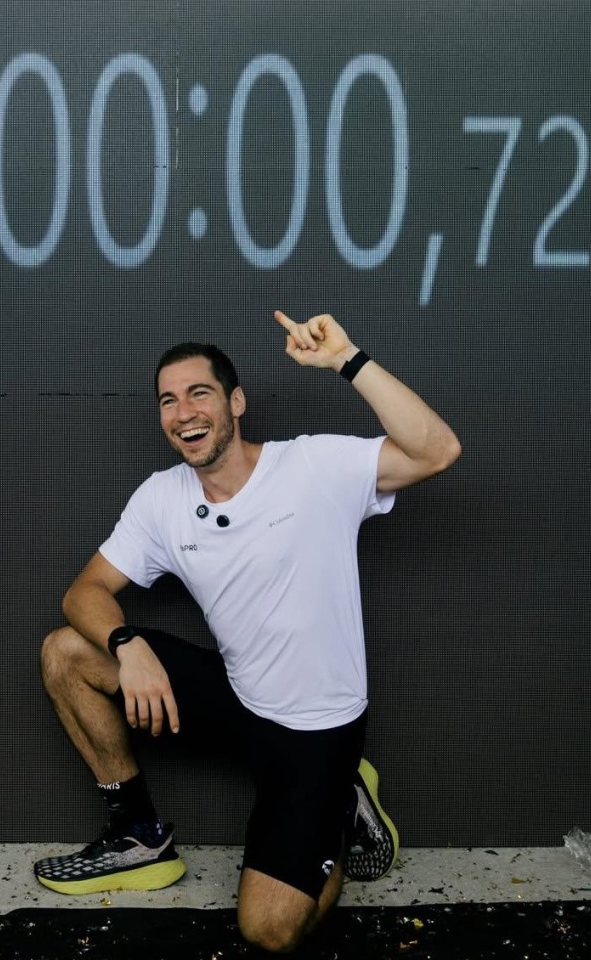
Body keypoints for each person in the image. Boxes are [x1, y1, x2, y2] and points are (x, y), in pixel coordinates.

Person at [35, 310, 461, 954]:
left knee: (266, 931)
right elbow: (83, 593)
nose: (183, 412)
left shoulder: (313, 467)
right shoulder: (162, 498)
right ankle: (138, 835)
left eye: (199, 392)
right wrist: (130, 644)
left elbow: (438, 450)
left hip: (318, 734)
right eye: (168, 401)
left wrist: (347, 360)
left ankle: (339, 803)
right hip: (240, 700)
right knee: (67, 651)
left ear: (235, 401)